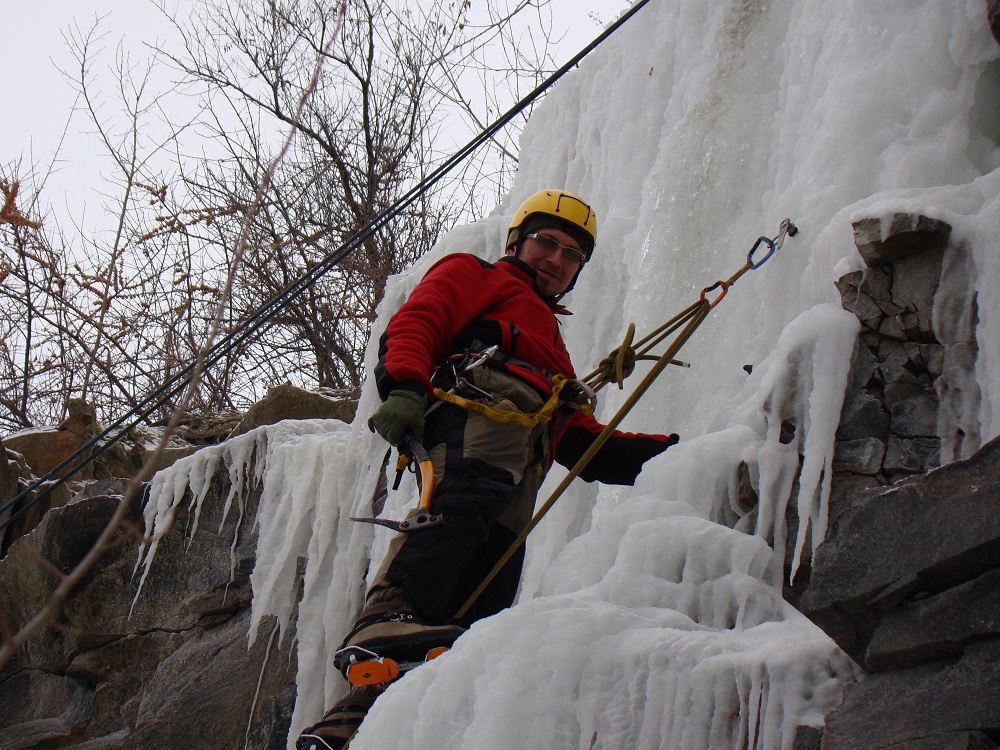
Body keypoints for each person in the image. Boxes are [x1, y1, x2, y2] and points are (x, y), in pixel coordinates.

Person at [296, 189, 678, 750]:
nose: (556, 258)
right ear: (516, 242)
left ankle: (356, 724)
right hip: (477, 419)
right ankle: (388, 616)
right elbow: (420, 320)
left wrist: (661, 456)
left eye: (572, 253)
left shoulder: (554, 348)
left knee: (489, 579)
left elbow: (577, 439)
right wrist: (403, 387)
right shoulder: (477, 275)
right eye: (547, 241)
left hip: (523, 458)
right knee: (458, 512)